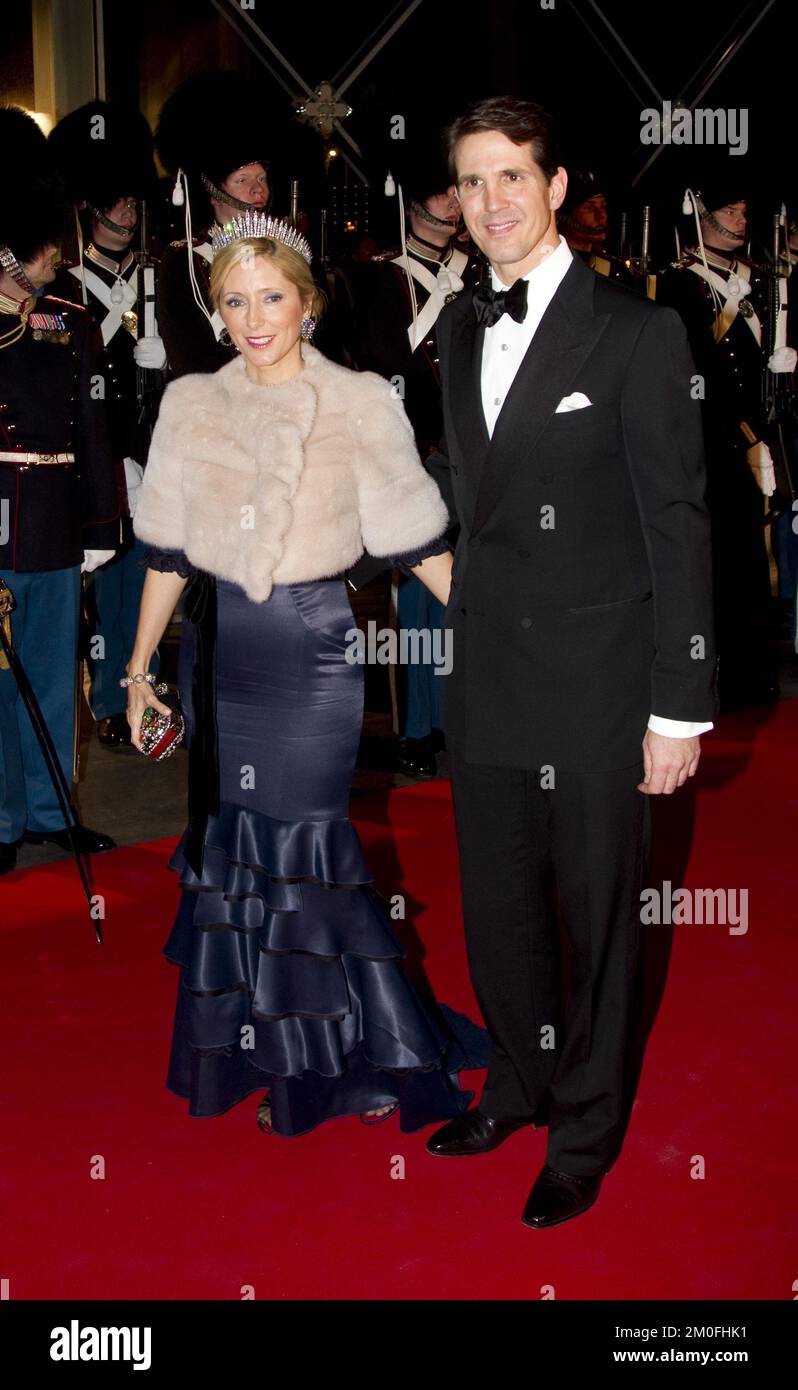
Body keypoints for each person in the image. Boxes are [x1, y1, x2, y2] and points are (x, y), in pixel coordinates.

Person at [421, 96, 716, 1228]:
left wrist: (677, 709)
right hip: (490, 673)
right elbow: (466, 502)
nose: (490, 202)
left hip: (601, 686)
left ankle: (587, 1129)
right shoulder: (454, 327)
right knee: (498, 910)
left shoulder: (640, 333)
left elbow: (679, 522)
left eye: (512, 177)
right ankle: (518, 1082)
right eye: (471, 181)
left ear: (555, 188)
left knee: (599, 924)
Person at [127, 211, 485, 1134]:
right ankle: (269, 1038)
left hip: (316, 651)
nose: (254, 317)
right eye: (235, 300)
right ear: (215, 309)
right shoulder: (188, 406)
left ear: (308, 302)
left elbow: (414, 540)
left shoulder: (362, 400)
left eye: (272, 296)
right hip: (223, 661)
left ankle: (350, 1055)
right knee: (242, 847)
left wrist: (494, 629)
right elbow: (166, 555)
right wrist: (136, 672)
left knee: (309, 849)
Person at [0, 107, 122, 876]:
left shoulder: (71, 319)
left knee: (51, 673)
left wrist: (102, 521)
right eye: (45, 243)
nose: (58, 254)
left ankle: (50, 811)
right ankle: (3, 818)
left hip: (52, 519)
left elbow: (93, 424)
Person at [351, 152, 481, 776]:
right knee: (419, 600)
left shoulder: (477, 270)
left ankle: (461, 712)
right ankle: (418, 725)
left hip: (472, 449)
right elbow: (383, 365)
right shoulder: (380, 277)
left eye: (456, 191)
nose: (453, 203)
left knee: (467, 587)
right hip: (416, 451)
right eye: (440, 192)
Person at [50, 100, 166, 748]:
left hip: (153, 447)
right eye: (113, 200)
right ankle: (107, 696)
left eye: (131, 199)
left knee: (150, 573)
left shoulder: (157, 279)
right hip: (97, 452)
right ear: (91, 208)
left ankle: (140, 686)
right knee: (107, 580)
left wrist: (168, 360)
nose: (126, 210)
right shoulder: (68, 287)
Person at [658, 186, 780, 708]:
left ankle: (754, 670)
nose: (740, 219)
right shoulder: (679, 284)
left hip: (758, 432)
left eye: (744, 211)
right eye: (730, 210)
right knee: (720, 561)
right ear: (700, 216)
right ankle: (721, 674)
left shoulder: (761, 282)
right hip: (711, 439)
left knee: (756, 557)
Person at [154, 73, 272, 378]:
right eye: (243, 181)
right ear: (214, 192)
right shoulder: (185, 259)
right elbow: (189, 353)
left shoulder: (287, 250)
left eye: (262, 179)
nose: (258, 190)